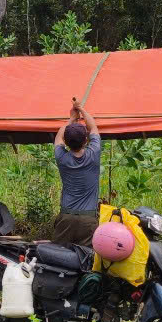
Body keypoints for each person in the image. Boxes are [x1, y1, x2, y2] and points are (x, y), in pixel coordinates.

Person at [53, 98, 101, 247]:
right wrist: (81, 109)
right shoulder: (93, 154)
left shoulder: (62, 158)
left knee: (59, 255)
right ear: (86, 140)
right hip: (88, 218)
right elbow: (93, 127)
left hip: (66, 216)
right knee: (86, 258)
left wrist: (71, 119)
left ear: (66, 143)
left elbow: (58, 137)